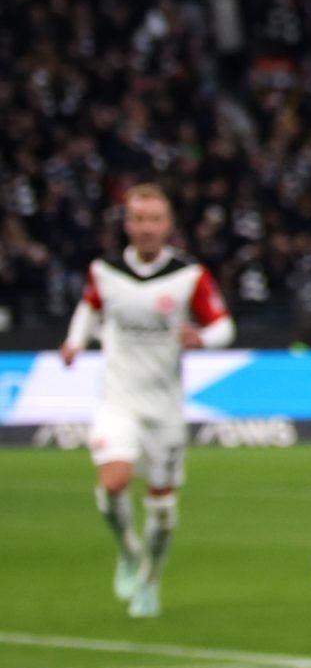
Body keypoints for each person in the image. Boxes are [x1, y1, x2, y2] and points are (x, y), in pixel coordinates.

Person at [57, 184, 234, 618]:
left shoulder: (189, 275)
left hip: (165, 408)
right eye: (138, 219)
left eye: (155, 219)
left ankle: (150, 581)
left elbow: (223, 326)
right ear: (127, 224)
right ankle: (127, 550)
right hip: (119, 399)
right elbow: (90, 306)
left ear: (168, 225)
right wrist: (75, 341)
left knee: (162, 507)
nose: (147, 228)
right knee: (113, 481)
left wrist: (201, 338)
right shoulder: (105, 271)